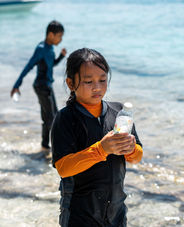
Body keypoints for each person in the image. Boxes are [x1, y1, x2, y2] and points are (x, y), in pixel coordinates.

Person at [51, 48, 143, 227]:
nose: (97, 87)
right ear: (70, 83)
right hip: (79, 215)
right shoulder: (66, 118)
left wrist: (131, 149)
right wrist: (101, 150)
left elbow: (137, 156)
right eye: (88, 81)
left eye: (102, 80)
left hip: (116, 212)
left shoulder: (119, 112)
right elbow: (64, 168)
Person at [11, 20, 67, 151]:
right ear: (51, 35)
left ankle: (44, 146)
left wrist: (61, 57)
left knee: (50, 116)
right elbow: (29, 66)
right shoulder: (41, 49)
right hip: (41, 87)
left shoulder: (51, 48)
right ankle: (56, 148)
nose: (60, 39)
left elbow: (51, 64)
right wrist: (17, 84)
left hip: (47, 86)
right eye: (59, 36)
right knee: (51, 117)